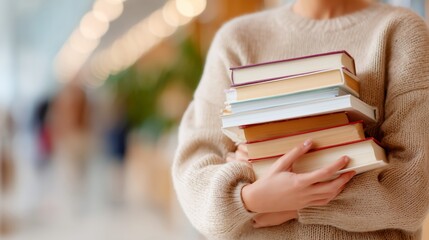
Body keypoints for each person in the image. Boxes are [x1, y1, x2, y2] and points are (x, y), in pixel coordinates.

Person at [172, 0, 429, 239]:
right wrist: (250, 198)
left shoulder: (401, 31)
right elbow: (193, 173)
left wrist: (295, 203)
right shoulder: (237, 39)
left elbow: (412, 192)